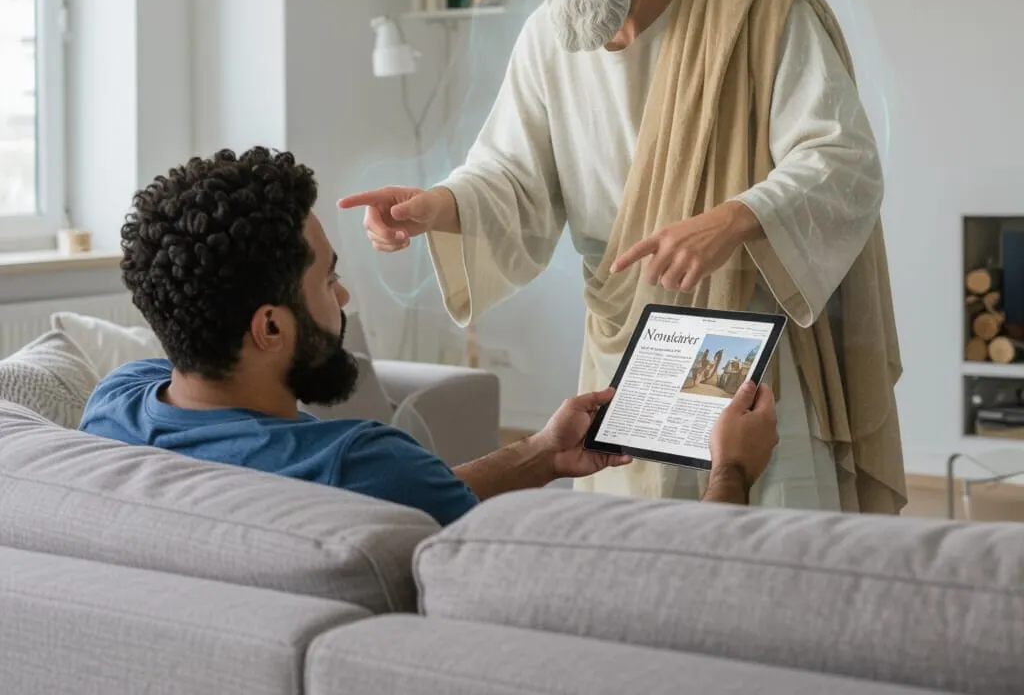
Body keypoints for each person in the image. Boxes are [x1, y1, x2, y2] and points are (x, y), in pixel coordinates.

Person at [340, 0, 906, 514]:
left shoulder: (754, 7)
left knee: (767, 548)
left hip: (744, 329)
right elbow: (513, 172)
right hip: (625, 333)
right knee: (636, 544)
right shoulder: (550, 37)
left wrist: (731, 220)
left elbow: (840, 158)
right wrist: (442, 205)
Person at [79, 147, 778, 526]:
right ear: (269, 327)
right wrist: (732, 468)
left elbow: (413, 494)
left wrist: (540, 453)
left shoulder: (112, 407)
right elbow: (690, 581)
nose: (345, 296)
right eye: (329, 281)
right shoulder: (355, 461)